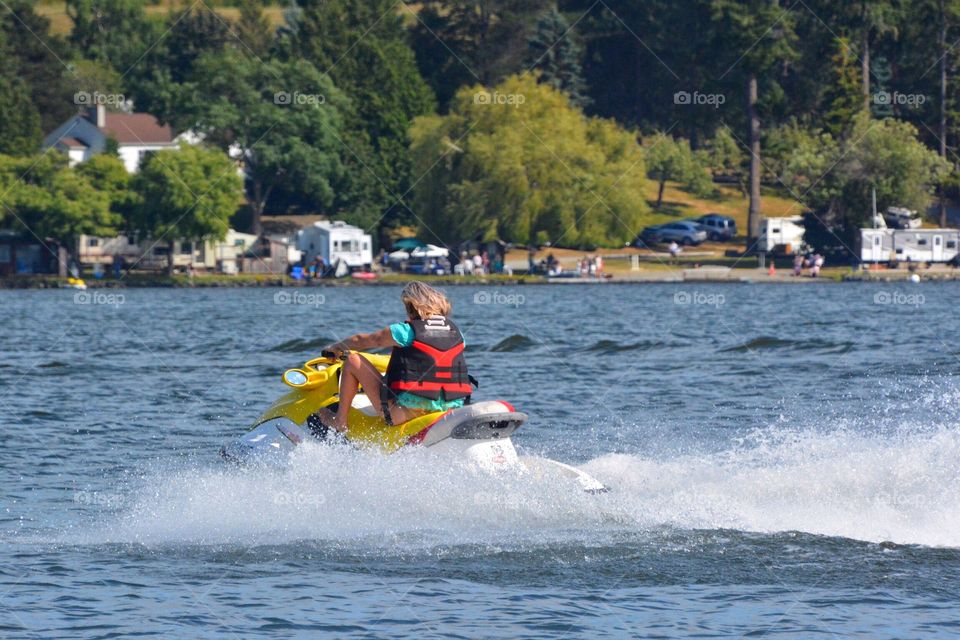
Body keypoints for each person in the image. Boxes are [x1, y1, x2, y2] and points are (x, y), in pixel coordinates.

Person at [318, 282, 472, 433]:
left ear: (411, 307)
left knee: (353, 360)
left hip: (405, 413)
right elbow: (429, 358)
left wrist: (336, 348)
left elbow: (362, 340)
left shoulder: (405, 331)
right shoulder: (457, 335)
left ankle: (340, 421)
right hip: (450, 410)